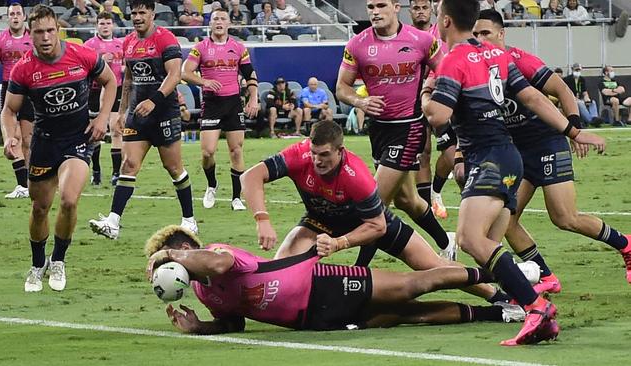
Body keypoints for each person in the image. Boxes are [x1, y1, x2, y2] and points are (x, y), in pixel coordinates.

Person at [421, 0, 605, 345]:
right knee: (489, 243)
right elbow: (535, 99)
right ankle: (532, 301)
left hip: (489, 158)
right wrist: (575, 132)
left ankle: (536, 306)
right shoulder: (496, 55)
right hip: (510, 157)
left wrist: (426, 93)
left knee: (471, 240)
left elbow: (437, 117)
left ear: (444, 21)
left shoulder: (453, 61)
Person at [241, 121, 524, 304]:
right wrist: (262, 219)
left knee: (434, 267)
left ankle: (499, 293)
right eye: (314, 154)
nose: (317, 161)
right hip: (319, 221)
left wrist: (340, 243)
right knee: (281, 270)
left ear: (341, 151)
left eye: (325, 155)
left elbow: (376, 226)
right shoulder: (300, 155)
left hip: (370, 224)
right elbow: (251, 177)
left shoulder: (357, 176)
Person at [473, 10, 631, 295]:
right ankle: (546, 276)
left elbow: (561, 89)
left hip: (547, 142)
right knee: (506, 220)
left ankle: (626, 244)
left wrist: (574, 128)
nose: (480, 39)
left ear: (501, 34)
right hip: (516, 151)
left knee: (564, 218)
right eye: (476, 34)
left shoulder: (520, 60)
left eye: (486, 33)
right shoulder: (477, 66)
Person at [146, 225, 531, 334]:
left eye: (180, 251)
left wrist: (172, 253)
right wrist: (201, 327)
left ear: (186, 249)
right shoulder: (201, 292)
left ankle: (505, 276)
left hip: (321, 281)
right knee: (405, 315)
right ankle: (501, 316)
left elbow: (218, 263)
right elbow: (235, 321)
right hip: (313, 320)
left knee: (413, 284)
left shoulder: (215, 253)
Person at [1, 4, 117, 292]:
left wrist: (103, 117)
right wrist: (8, 137)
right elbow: (8, 110)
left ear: (58, 30)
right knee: (40, 208)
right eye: (39, 32)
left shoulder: (82, 55)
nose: (45, 37)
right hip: (44, 142)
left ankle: (59, 260)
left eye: (50, 30)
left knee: (68, 200)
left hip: (77, 139)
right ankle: (37, 264)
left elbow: (110, 80)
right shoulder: (24, 68)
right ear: (30, 33)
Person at [336, 0, 452, 265]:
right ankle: (447, 243)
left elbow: (445, 73)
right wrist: (360, 101)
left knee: (375, 202)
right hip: (379, 130)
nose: (375, 11)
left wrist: (434, 101)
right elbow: (341, 87)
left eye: (381, 5)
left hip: (409, 127)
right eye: (370, 7)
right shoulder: (357, 44)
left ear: (396, 7)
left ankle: (359, 271)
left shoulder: (422, 40)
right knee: (407, 200)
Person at [89, 0, 198, 239]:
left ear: (152, 13)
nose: (137, 17)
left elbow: (174, 75)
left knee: (173, 167)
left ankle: (189, 220)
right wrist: (122, 110)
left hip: (163, 113)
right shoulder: (128, 42)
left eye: (142, 12)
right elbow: (128, 80)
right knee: (129, 165)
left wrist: (154, 101)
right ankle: (113, 222)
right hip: (138, 116)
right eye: (134, 13)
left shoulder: (165, 39)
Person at [181, 8, 259, 211]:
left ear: (228, 24)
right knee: (207, 152)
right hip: (212, 104)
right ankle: (211, 184)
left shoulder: (239, 47)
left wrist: (253, 99)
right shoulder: (201, 47)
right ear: (210, 23)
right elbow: (185, 72)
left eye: (223, 18)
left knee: (236, 151)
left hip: (233, 103)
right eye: (215, 18)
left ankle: (236, 198)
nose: (219, 21)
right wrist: (204, 81)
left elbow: (250, 74)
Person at [409, 0, 458, 224]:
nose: (420, 12)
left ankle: (436, 190)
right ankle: (426, 207)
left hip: (443, 98)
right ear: (409, 10)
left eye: (424, 8)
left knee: (451, 153)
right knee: (424, 152)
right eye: (416, 8)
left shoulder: (439, 31)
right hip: (414, 101)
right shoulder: (405, 37)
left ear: (431, 10)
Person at [0, 2, 33, 199]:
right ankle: (22, 185)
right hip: (9, 90)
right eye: (11, 14)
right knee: (14, 137)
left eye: (18, 13)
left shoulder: (33, 38)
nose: (15, 17)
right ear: (7, 17)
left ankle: (30, 183)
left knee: (29, 140)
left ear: (24, 16)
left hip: (30, 90)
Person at [84, 12, 125, 186]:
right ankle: (96, 170)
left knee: (116, 129)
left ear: (113, 25)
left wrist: (123, 68)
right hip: (95, 90)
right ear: (96, 26)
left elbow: (126, 65)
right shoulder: (89, 45)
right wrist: (100, 60)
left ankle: (116, 173)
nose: (105, 26)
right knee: (95, 132)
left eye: (108, 23)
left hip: (116, 89)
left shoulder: (120, 44)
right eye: (102, 23)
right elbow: (83, 68)